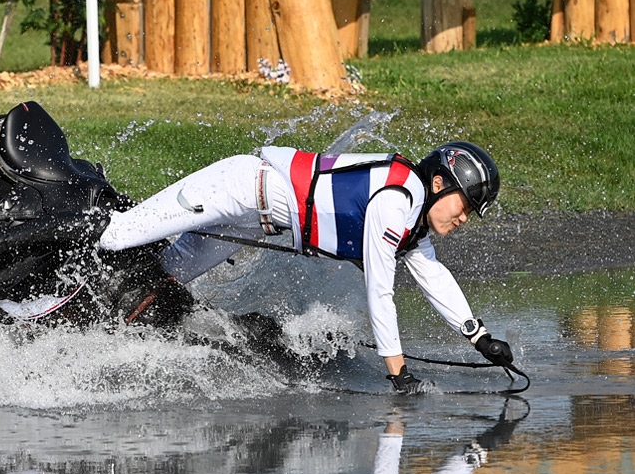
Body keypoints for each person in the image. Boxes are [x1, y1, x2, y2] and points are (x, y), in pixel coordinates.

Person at [89, 141, 515, 393]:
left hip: (254, 221)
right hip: (238, 187)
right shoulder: (396, 200)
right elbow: (380, 292)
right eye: (465, 205)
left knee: (166, 275)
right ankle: (64, 219)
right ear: (439, 183)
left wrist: (479, 337)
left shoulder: (415, 223)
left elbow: (433, 277)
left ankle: (86, 317)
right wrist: (399, 373)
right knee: (116, 235)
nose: (464, 218)